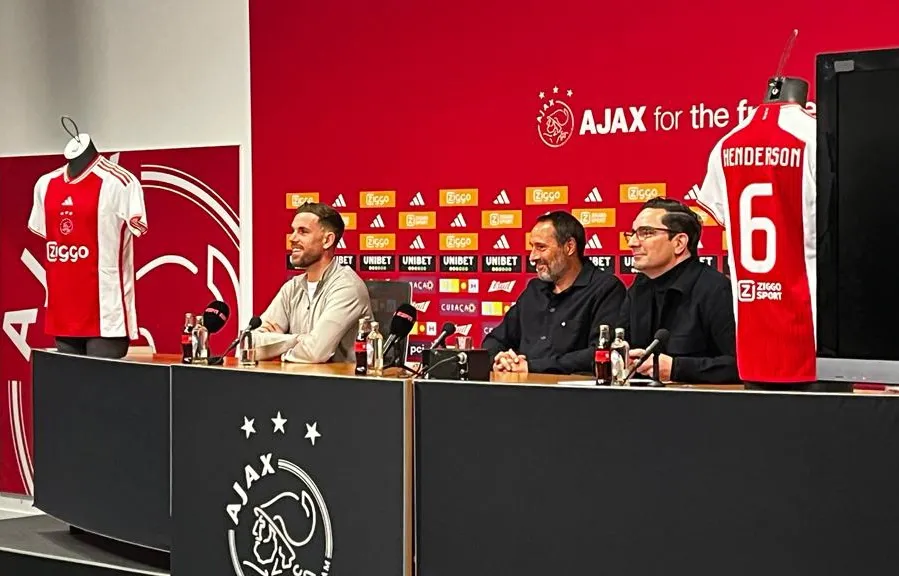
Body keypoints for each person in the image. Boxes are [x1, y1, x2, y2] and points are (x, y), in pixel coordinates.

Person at [482, 211, 626, 374]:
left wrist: (532, 367)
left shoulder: (606, 289)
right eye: (532, 247)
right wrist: (500, 359)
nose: (532, 257)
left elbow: (600, 353)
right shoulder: (534, 290)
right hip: (521, 391)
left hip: (573, 395)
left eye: (541, 247)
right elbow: (495, 340)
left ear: (569, 247)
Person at [619, 197, 738, 384]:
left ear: (679, 243)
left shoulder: (715, 289)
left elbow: (739, 366)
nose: (632, 242)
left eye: (646, 233)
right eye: (633, 233)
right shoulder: (639, 288)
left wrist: (677, 368)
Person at [257, 202, 372, 363]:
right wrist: (296, 340)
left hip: (342, 386)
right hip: (296, 383)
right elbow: (249, 344)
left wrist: (277, 349)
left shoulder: (347, 287)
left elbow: (315, 352)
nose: (292, 238)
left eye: (303, 232)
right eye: (293, 231)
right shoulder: (292, 288)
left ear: (327, 240)